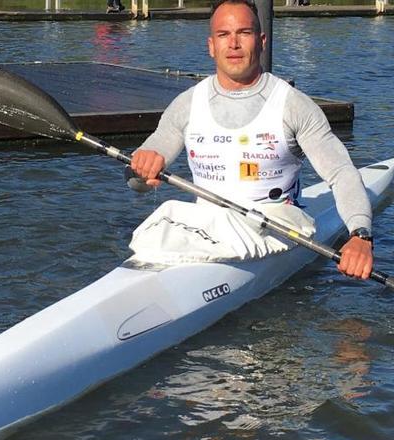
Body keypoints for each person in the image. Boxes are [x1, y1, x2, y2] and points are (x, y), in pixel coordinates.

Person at [129, 0, 374, 279]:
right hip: (205, 227)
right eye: (224, 35)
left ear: (262, 41)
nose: (233, 44)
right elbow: (136, 182)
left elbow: (341, 173)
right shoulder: (186, 105)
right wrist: (140, 172)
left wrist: (360, 235)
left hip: (274, 228)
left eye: (243, 33)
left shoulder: (294, 106)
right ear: (211, 46)